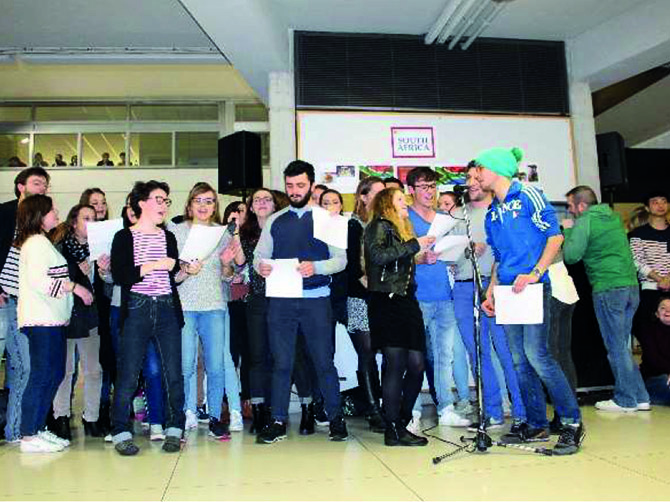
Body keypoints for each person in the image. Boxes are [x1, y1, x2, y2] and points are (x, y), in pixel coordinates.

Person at [478, 147, 583, 455]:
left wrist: (536, 273)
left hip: (534, 287)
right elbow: (499, 257)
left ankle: (572, 423)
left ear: (497, 169)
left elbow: (555, 236)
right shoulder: (492, 213)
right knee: (518, 360)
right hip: (508, 291)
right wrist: (491, 290)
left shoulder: (528, 195)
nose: (476, 175)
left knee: (538, 356)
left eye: (480, 169)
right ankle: (535, 424)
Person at [254, 160, 348, 443]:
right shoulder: (274, 220)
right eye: (290, 185)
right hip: (281, 301)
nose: (294, 191)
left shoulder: (327, 219)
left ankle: (336, 420)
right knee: (281, 363)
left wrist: (315, 268)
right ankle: (278, 420)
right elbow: (259, 257)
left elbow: (341, 261)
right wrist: (261, 267)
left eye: (300, 185)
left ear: (311, 185)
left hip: (316, 301)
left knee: (324, 362)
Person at [110, 180, 185, 456]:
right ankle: (120, 430)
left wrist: (186, 270)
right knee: (129, 373)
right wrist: (154, 265)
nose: (164, 205)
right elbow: (121, 276)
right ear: (141, 203)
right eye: (158, 199)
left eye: (166, 200)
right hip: (137, 309)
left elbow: (174, 276)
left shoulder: (168, 237)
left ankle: (176, 428)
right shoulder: (124, 237)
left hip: (166, 307)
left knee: (173, 372)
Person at [16, 194, 93, 453]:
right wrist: (76, 288)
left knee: (54, 374)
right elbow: (41, 282)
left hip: (53, 320)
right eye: (52, 210)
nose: (57, 214)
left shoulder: (43, 242)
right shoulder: (36, 243)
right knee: (42, 375)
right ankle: (28, 434)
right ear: (39, 215)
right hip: (41, 320)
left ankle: (37, 428)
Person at [563, 185, 650, 413]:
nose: (570, 211)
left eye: (571, 206)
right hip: (631, 287)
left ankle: (625, 399)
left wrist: (568, 231)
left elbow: (572, 256)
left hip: (608, 288)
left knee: (615, 346)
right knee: (622, 345)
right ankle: (640, 396)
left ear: (582, 205)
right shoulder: (612, 217)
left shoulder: (585, 221)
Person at [452, 163, 525, 430]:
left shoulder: (503, 212)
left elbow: (510, 252)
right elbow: (448, 255)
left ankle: (521, 413)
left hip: (498, 287)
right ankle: (491, 412)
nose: (471, 182)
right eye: (468, 177)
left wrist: (488, 252)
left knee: (509, 352)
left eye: (476, 177)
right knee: (477, 352)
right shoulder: (456, 215)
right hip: (463, 286)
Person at [171, 182, 243, 438]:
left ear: (215, 206)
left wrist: (226, 266)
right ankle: (188, 410)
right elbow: (170, 276)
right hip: (185, 306)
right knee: (186, 364)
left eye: (209, 201)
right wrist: (183, 270)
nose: (203, 206)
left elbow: (228, 276)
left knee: (215, 365)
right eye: (198, 200)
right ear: (189, 204)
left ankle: (215, 415)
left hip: (214, 306)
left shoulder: (222, 234)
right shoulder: (175, 231)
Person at [364, 187, 435, 446]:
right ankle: (393, 428)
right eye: (399, 200)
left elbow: (400, 262)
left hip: (406, 301)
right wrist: (415, 245)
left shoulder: (403, 230)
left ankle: (400, 421)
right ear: (386, 205)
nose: (405, 203)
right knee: (396, 364)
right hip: (386, 301)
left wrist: (418, 253)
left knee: (417, 364)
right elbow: (378, 256)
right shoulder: (379, 225)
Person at [406, 166, 471, 428]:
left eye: (432, 186)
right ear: (411, 190)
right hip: (416, 296)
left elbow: (453, 251)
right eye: (423, 186)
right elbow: (396, 256)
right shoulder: (404, 218)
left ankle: (446, 408)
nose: (429, 192)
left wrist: (459, 254)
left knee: (444, 355)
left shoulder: (445, 218)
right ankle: (412, 411)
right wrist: (418, 257)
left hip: (444, 294)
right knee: (414, 357)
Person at [0, 167, 50, 443]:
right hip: (3, 297)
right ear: (21, 186)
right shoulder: (5, 213)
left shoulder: (40, 223)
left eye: (45, 184)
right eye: (36, 182)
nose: (42, 187)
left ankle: (16, 431)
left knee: (24, 367)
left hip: (25, 303)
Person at [49, 204, 103, 440]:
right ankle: (61, 416)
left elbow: (103, 285)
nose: (90, 223)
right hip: (65, 315)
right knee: (66, 370)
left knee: (93, 370)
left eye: (93, 219)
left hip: (90, 316)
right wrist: (75, 271)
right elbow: (52, 278)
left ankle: (91, 417)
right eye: (85, 218)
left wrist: (99, 270)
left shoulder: (100, 249)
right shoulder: (58, 247)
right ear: (73, 222)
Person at [346, 177, 386, 432]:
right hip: (361, 298)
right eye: (378, 193)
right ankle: (373, 409)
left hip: (384, 298)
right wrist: (373, 288)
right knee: (367, 353)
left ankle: (385, 404)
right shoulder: (353, 225)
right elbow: (352, 265)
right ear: (363, 196)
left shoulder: (385, 224)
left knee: (386, 353)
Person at [239, 188, 277, 433]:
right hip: (256, 300)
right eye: (257, 200)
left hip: (283, 299)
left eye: (267, 199)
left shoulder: (284, 231)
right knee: (257, 356)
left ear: (275, 205)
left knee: (280, 357)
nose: (262, 203)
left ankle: (276, 410)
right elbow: (239, 264)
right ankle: (260, 409)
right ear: (251, 207)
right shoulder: (244, 234)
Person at [629, 191, 670, 344]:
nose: (660, 205)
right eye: (655, 202)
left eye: (663, 201)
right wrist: (660, 279)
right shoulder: (638, 234)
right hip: (649, 290)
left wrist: (668, 279)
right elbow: (636, 261)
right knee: (650, 336)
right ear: (647, 208)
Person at [637, 297, 670, 405]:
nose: (668, 311)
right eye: (663, 308)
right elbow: (654, 360)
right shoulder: (649, 331)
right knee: (664, 381)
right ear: (656, 313)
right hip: (654, 377)